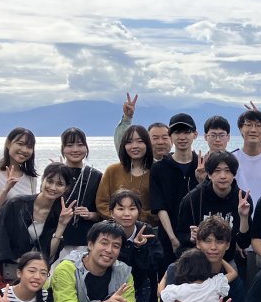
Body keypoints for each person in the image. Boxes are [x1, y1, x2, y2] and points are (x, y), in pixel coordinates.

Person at [109, 190, 164, 302]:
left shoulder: (146, 231)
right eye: (120, 208)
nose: (126, 213)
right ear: (111, 212)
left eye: (132, 208)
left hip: (142, 283)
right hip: (113, 283)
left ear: (138, 212)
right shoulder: (107, 232)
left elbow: (156, 261)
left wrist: (140, 249)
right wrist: (132, 248)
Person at [0, 163, 73, 273]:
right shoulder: (16, 204)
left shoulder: (60, 215)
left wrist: (61, 225)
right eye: (50, 181)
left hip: (31, 273)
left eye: (60, 184)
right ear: (43, 180)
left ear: (66, 188)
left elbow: (48, 255)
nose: (53, 188)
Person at [174, 150, 251, 263]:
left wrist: (243, 217)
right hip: (198, 261)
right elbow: (181, 234)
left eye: (228, 171)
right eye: (217, 171)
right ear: (209, 174)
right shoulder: (193, 198)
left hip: (227, 260)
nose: (223, 176)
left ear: (234, 174)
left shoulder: (243, 199)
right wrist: (191, 237)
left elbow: (244, 243)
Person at [149, 113, 199, 261]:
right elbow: (159, 206)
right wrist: (172, 238)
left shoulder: (203, 165)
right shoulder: (159, 168)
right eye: (177, 132)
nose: (182, 137)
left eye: (187, 132)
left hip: (199, 236)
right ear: (170, 136)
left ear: (195, 135)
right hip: (168, 237)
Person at [57, 128, 103, 255]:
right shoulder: (56, 174)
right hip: (58, 239)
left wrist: (91, 215)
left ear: (86, 147)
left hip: (87, 241)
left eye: (80, 144)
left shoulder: (96, 176)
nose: (75, 149)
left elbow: (104, 211)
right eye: (70, 145)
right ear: (63, 149)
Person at [0, 127, 39, 221]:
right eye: (20, 144)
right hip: (0, 233)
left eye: (29, 147)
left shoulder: (31, 178)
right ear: (8, 144)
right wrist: (6, 190)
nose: (24, 150)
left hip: (24, 232)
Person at [97, 124, 153, 224]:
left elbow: (161, 207)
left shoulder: (156, 171)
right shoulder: (112, 170)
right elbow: (101, 203)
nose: (134, 146)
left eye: (140, 141)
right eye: (129, 142)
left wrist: (138, 217)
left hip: (148, 230)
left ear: (147, 144)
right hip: (115, 230)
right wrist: (120, 218)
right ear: (124, 145)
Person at [233, 108, 261, 204]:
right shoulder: (232, 158)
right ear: (240, 129)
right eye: (248, 125)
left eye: (258, 125)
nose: (253, 130)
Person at [113, 91, 171, 161]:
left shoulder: (179, 164)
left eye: (164, 138)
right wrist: (127, 118)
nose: (160, 142)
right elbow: (122, 142)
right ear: (147, 142)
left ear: (172, 141)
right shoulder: (138, 164)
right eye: (155, 138)